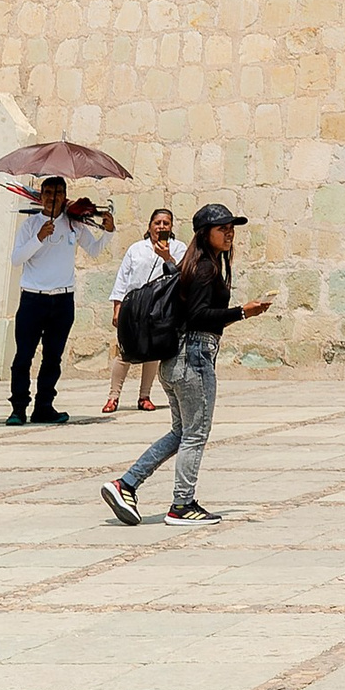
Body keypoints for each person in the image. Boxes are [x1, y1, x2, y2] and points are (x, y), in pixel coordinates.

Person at [99, 205, 271, 525]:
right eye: (222, 228)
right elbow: (198, 316)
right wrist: (242, 312)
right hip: (193, 358)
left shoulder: (192, 265)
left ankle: (126, 484)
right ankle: (182, 504)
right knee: (195, 434)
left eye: (231, 228)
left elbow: (194, 313)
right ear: (205, 233)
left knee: (182, 432)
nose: (229, 233)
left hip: (177, 360)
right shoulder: (204, 268)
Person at [9, 176, 115, 425]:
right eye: (48, 192)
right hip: (33, 298)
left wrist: (109, 232)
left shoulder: (73, 224)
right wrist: (39, 237)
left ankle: (44, 406)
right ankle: (18, 408)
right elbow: (16, 259)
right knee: (23, 356)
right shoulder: (30, 225)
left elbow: (94, 249)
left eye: (57, 193)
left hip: (62, 300)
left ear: (64, 196)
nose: (52, 198)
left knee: (53, 357)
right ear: (41, 196)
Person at [103, 206, 176, 414]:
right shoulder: (136, 249)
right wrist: (117, 307)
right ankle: (113, 396)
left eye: (166, 223)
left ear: (171, 227)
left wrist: (167, 257)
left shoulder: (178, 248)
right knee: (125, 350)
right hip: (134, 305)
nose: (161, 226)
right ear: (150, 226)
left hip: (159, 306)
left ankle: (145, 396)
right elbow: (123, 278)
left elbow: (179, 273)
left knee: (152, 351)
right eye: (157, 223)